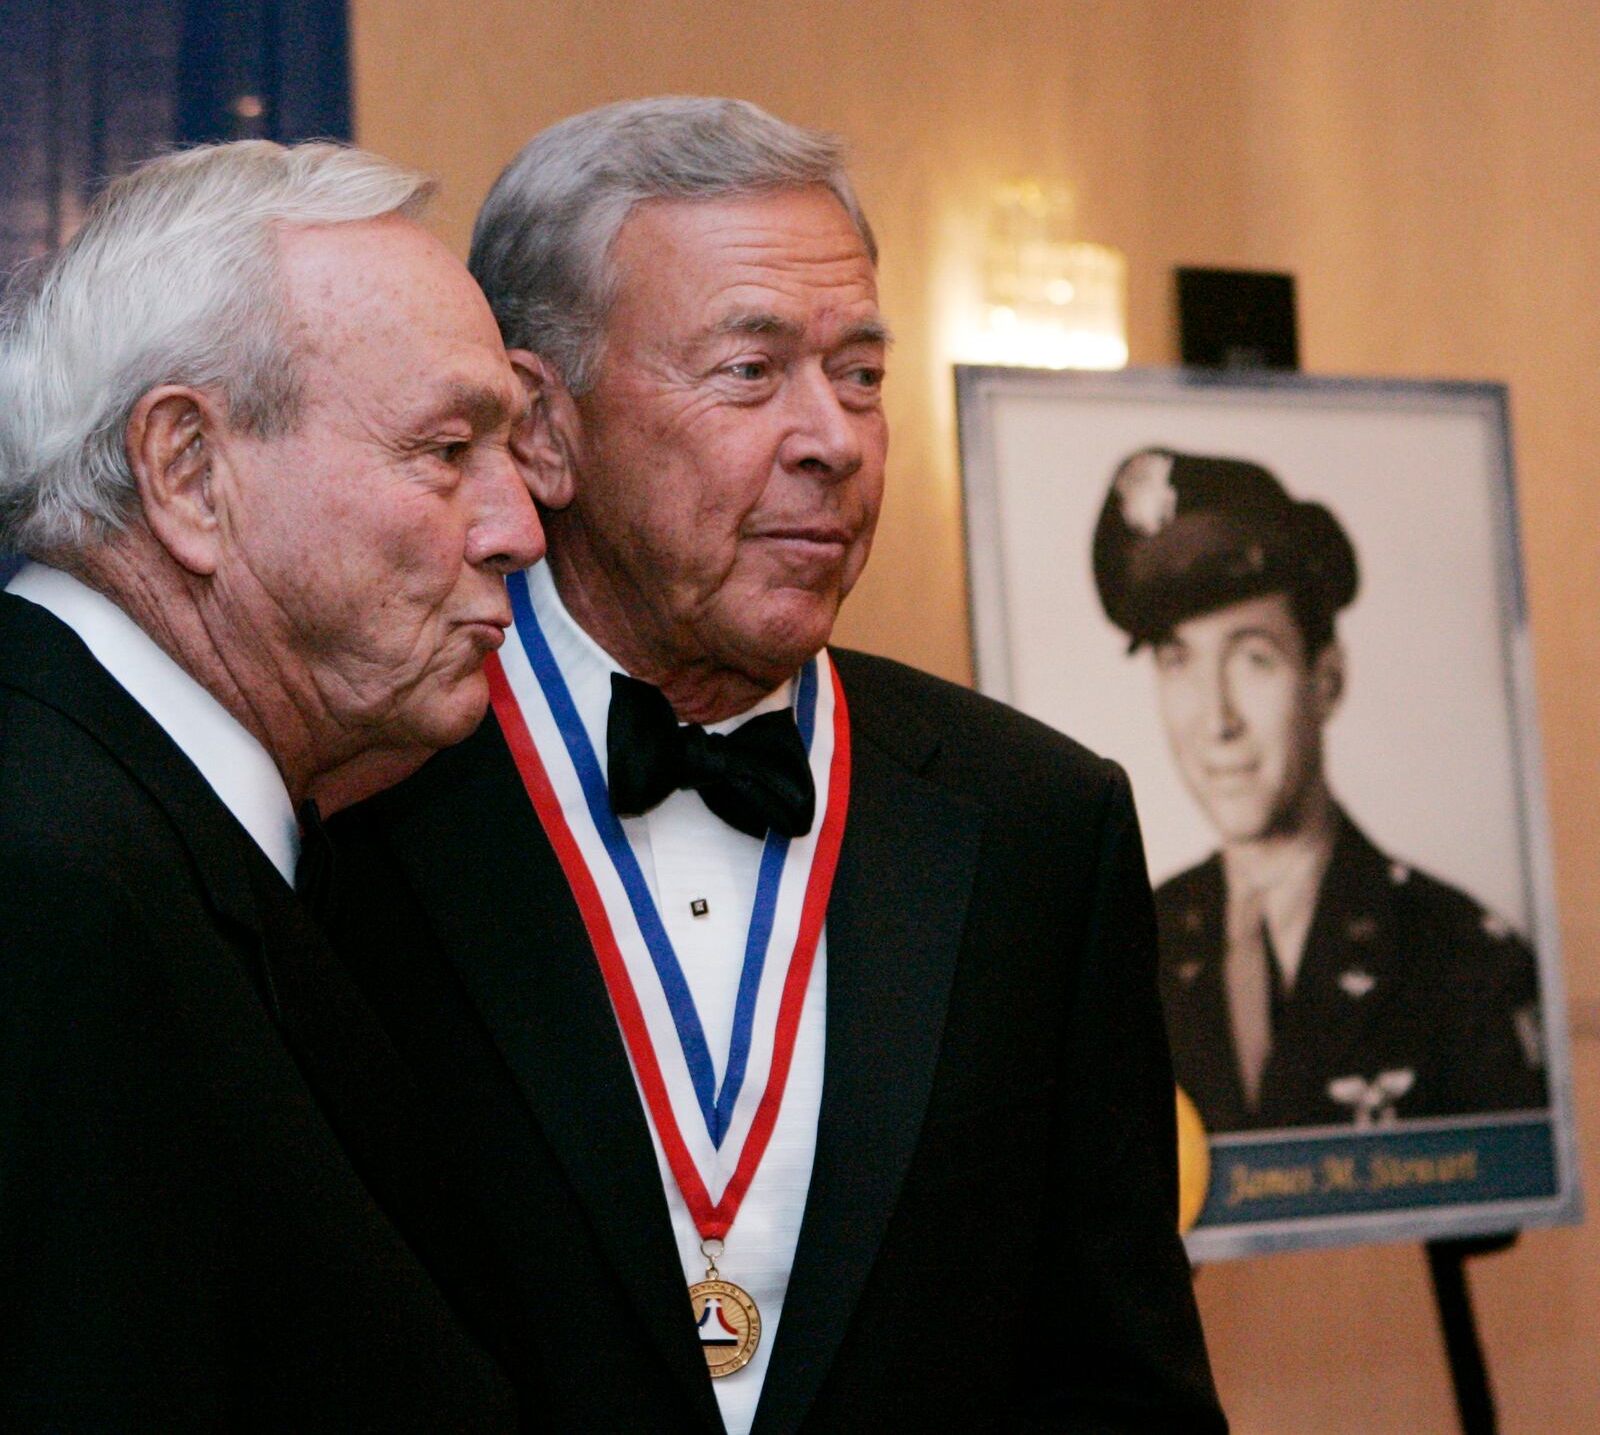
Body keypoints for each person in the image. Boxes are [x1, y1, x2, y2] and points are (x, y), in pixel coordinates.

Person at [327, 97, 1225, 1435]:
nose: (837, 438)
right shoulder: (351, 802)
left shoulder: (1038, 822)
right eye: (751, 372)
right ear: (542, 426)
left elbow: (1116, 1376)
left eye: (859, 373)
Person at [0, 141, 547, 1429]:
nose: (517, 523)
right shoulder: (48, 879)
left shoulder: (143, 826)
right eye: (446, 445)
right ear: (188, 471)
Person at [1092, 447, 1547, 1135]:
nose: (1217, 720)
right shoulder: (1128, 951)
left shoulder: (1462, 958)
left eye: (1253, 659)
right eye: (1179, 661)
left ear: (1325, 679)